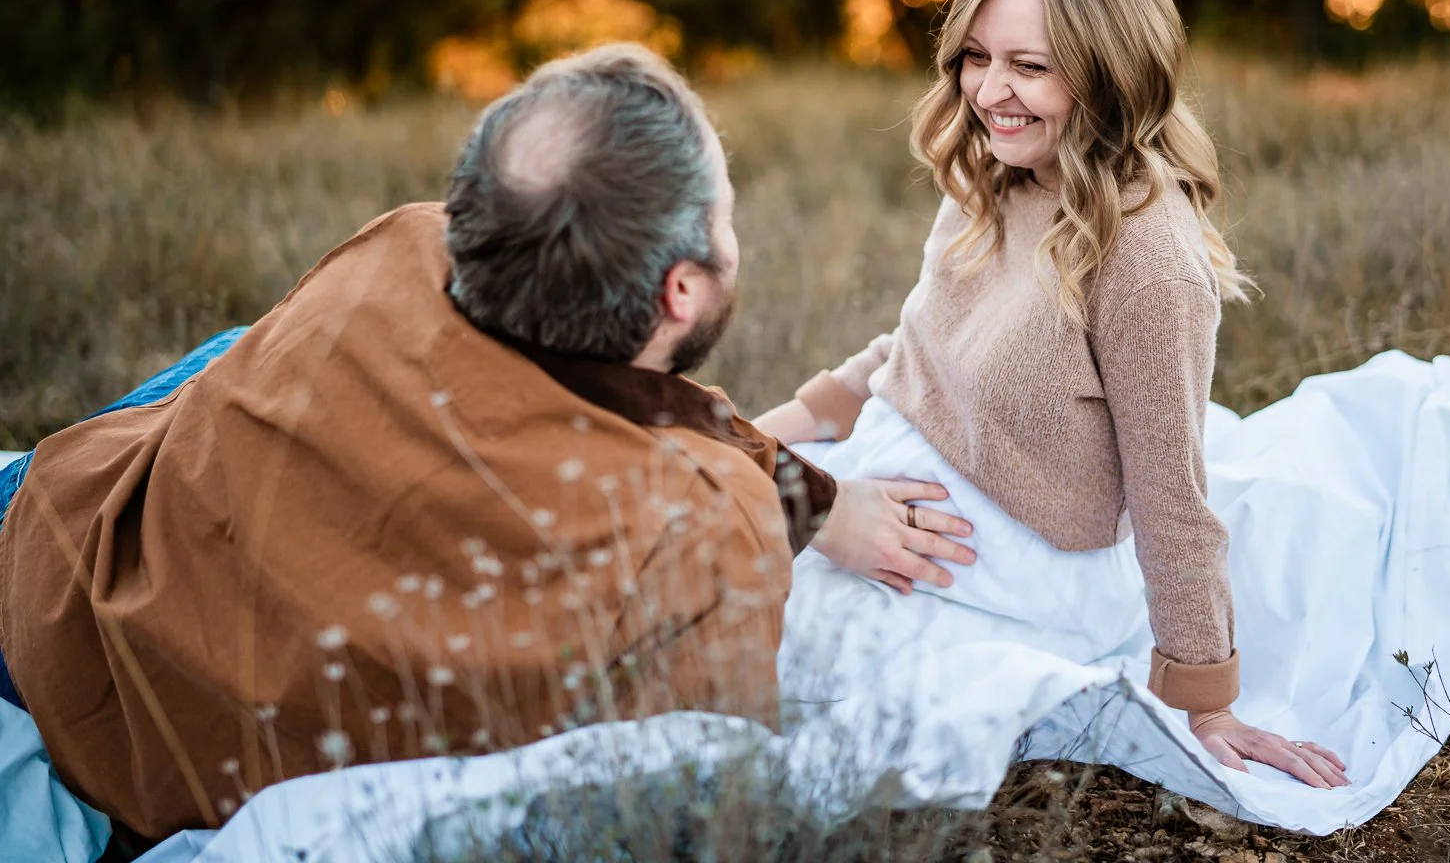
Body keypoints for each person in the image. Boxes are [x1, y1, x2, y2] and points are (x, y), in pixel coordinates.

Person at [0, 43, 972, 844]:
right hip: (142, 765)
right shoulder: (704, 519)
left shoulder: (396, 251)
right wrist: (790, 492)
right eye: (724, 213)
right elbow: (686, 778)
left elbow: (592, 409)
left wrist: (800, 467)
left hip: (50, 566)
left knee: (229, 357)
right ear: (681, 289)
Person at [756, 0, 1353, 787]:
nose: (989, 91)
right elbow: (915, 345)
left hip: (1003, 568)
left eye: (1029, 67)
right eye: (975, 56)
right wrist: (764, 435)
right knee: (682, 544)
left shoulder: (1149, 260)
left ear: (1113, 72)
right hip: (885, 490)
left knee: (752, 658)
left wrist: (1206, 699)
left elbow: (1171, 495)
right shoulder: (996, 169)